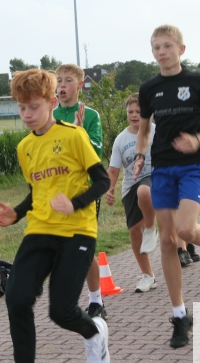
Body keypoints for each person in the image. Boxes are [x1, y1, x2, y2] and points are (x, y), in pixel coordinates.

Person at [0, 69, 111, 363]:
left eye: (34, 107)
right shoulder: (25, 147)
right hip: (40, 229)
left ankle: (94, 333)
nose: (27, 114)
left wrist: (75, 203)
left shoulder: (74, 136)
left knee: (61, 311)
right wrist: (17, 213)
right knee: (16, 296)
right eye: (21, 107)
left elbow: (102, 181)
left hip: (78, 231)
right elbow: (36, 192)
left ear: (52, 103)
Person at [133, 25, 200, 349]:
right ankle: (179, 316)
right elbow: (144, 131)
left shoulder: (199, 82)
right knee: (167, 241)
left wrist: (197, 140)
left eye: (167, 46)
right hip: (161, 167)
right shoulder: (149, 88)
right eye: (156, 47)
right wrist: (140, 155)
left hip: (193, 165)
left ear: (181, 49)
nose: (161, 52)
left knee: (186, 230)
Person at [53, 63, 112, 320]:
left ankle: (96, 301)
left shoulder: (90, 115)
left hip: (85, 192)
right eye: (59, 80)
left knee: (84, 247)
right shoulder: (49, 115)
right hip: (57, 193)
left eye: (68, 80)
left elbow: (95, 151)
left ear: (79, 85)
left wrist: (79, 130)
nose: (62, 85)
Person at [106, 93, 157, 293]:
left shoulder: (157, 131)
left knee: (145, 191)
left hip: (156, 178)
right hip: (130, 185)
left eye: (138, 111)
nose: (134, 115)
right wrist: (110, 189)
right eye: (130, 112)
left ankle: (151, 228)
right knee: (135, 232)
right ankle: (148, 275)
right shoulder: (121, 139)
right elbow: (113, 170)